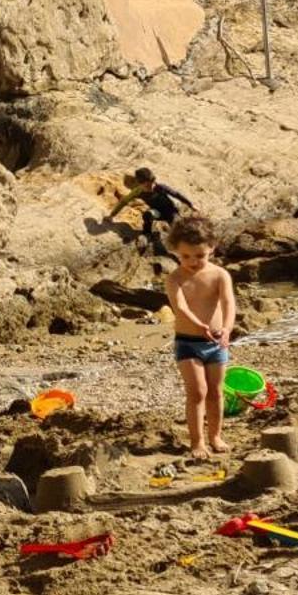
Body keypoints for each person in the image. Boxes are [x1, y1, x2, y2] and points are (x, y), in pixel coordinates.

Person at [164, 213, 236, 460]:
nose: (193, 262)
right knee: (197, 391)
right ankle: (197, 441)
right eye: (186, 256)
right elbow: (180, 308)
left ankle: (215, 436)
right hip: (188, 343)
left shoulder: (219, 275)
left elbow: (228, 303)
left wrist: (226, 328)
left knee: (216, 391)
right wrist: (200, 324)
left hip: (216, 343)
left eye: (200, 256)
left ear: (212, 248)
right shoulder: (174, 278)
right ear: (175, 251)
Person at [107, 166, 195, 254]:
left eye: (152, 182)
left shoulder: (160, 187)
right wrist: (112, 215)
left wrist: (191, 204)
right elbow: (123, 201)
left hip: (171, 212)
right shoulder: (138, 192)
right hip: (158, 213)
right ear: (140, 184)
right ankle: (147, 234)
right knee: (147, 215)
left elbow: (176, 194)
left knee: (180, 233)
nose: (151, 186)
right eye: (147, 184)